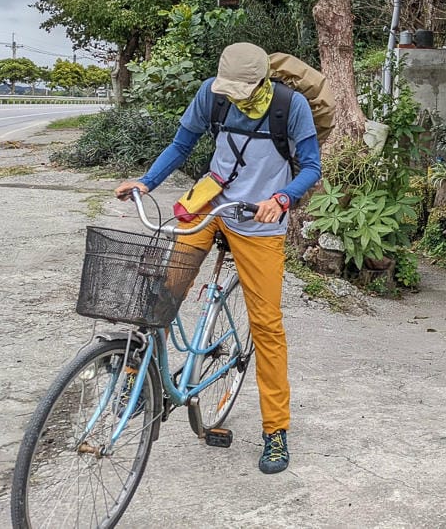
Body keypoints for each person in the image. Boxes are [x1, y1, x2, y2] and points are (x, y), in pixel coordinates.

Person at [115, 42, 322, 474]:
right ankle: (135, 382)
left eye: (239, 90)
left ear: (262, 80)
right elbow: (182, 143)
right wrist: (147, 182)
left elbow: (310, 167)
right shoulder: (212, 93)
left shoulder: (291, 106)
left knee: (266, 326)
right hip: (211, 202)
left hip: (259, 218)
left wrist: (283, 197)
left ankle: (276, 432)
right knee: (162, 291)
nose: (231, 96)